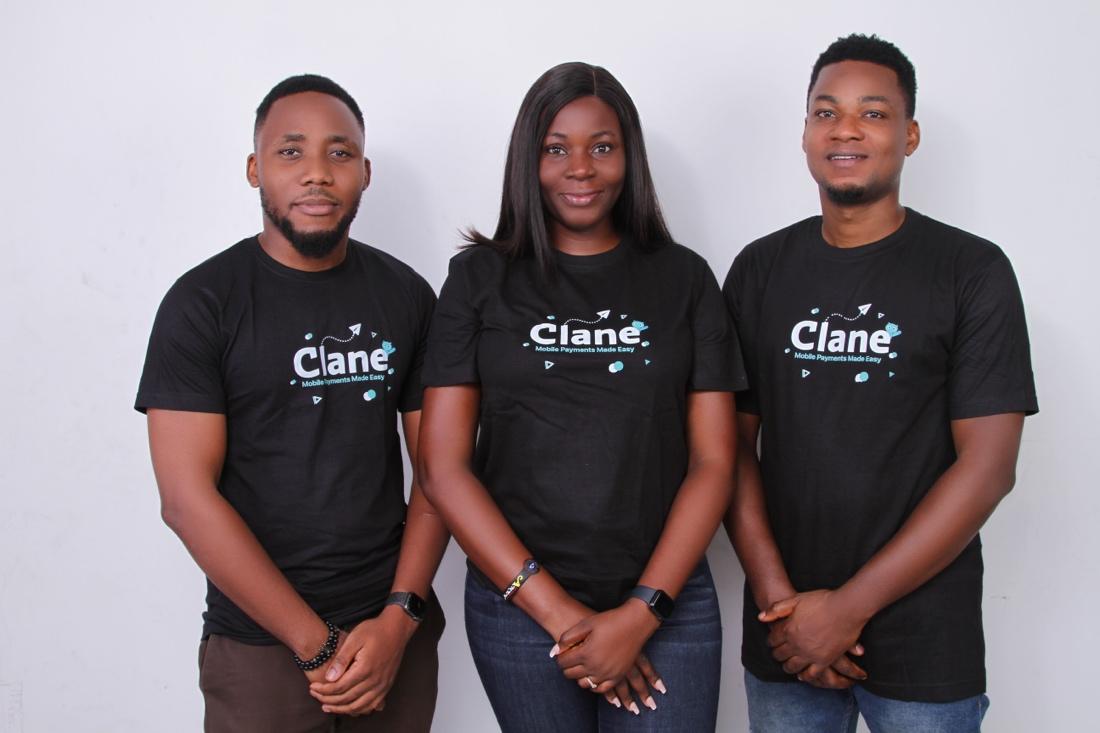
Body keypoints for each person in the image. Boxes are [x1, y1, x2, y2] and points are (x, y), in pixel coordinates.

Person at [417, 61, 746, 732]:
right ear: (528, 159)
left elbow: (715, 460)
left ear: (629, 157)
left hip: (667, 601)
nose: (581, 168)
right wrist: (558, 613)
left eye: (602, 146)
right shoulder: (478, 278)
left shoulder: (684, 278)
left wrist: (642, 612)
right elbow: (442, 466)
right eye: (556, 148)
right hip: (517, 604)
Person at [723, 34, 1038, 732]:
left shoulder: (971, 271)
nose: (846, 129)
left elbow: (988, 469)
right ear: (806, 133)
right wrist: (780, 603)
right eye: (826, 112)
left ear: (909, 135)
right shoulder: (759, 270)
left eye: (873, 113)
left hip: (926, 640)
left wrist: (844, 610)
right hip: (784, 632)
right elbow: (729, 449)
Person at [135, 74, 449, 733]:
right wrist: (316, 644)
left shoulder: (406, 295)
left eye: (339, 153)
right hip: (261, 645)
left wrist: (399, 619)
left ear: (365, 173)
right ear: (255, 169)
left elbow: (439, 473)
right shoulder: (203, 303)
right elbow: (186, 500)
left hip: (390, 631)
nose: (317, 173)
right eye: (290, 151)